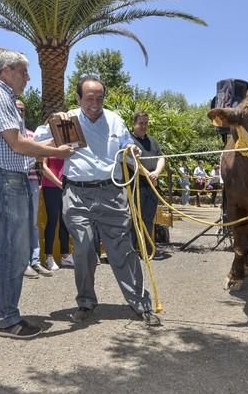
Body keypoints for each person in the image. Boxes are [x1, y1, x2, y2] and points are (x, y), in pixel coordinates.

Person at [34, 76, 162, 327]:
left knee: (122, 250)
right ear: (79, 98)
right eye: (89, 98)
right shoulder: (66, 119)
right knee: (82, 247)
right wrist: (54, 130)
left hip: (111, 193)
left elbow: (126, 145)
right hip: (77, 194)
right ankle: (85, 303)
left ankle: (140, 304)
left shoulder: (114, 119)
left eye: (99, 98)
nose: (95, 103)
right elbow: (36, 142)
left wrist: (132, 151)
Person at [0, 50, 73, 339]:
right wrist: (56, 151)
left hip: (4, 178)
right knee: (15, 251)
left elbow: (19, 142)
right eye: (24, 72)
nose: (28, 78)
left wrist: (58, 141)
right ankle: (7, 319)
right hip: (5, 179)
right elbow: (17, 144)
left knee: (8, 248)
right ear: (8, 70)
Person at [17, 99, 52, 279]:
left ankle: (35, 260)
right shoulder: (10, 134)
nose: (20, 112)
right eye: (17, 109)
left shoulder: (31, 135)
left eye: (22, 109)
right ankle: (23, 263)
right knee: (21, 224)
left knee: (32, 223)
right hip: (15, 182)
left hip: (31, 181)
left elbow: (40, 156)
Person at [129, 110, 168, 261]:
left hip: (152, 185)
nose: (143, 126)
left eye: (146, 123)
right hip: (136, 185)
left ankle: (147, 249)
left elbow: (161, 157)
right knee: (134, 219)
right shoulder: (129, 141)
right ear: (134, 124)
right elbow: (131, 163)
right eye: (141, 123)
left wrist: (156, 173)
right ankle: (132, 251)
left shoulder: (152, 141)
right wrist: (148, 174)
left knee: (148, 218)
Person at [40, 153, 73, 270]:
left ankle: (65, 255)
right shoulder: (46, 140)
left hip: (66, 186)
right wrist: (58, 183)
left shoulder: (64, 143)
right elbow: (43, 167)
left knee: (65, 220)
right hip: (50, 186)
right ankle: (48, 256)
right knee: (52, 220)